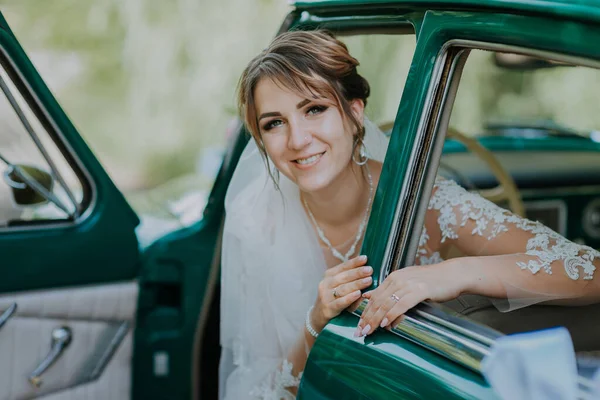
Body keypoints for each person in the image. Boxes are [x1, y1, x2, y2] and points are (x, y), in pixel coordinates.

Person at [219, 29, 600, 399]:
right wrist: (315, 322)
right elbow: (263, 391)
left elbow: (590, 270)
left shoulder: (426, 200)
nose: (298, 139)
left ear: (354, 114)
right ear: (261, 139)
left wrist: (455, 273)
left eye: (314, 109)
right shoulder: (256, 223)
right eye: (274, 123)